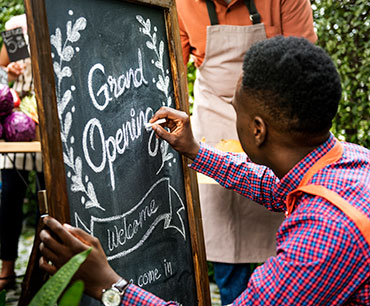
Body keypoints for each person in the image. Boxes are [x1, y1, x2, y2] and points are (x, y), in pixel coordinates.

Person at [39, 36, 370, 305]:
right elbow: (272, 186)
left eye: (234, 109)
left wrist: (110, 286)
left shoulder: (324, 234)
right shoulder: (349, 162)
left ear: (258, 129)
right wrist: (195, 150)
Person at [164, 0, 317, 302]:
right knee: (224, 229)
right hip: (216, 117)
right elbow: (169, 69)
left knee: (282, 220)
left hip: (274, 116)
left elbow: (303, 63)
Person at [0, 14, 44, 290]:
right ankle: (7, 270)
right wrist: (11, 73)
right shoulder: (17, 26)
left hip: (50, 123)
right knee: (9, 199)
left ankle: (48, 269)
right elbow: (2, 67)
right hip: (20, 122)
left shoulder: (60, 11)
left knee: (48, 200)